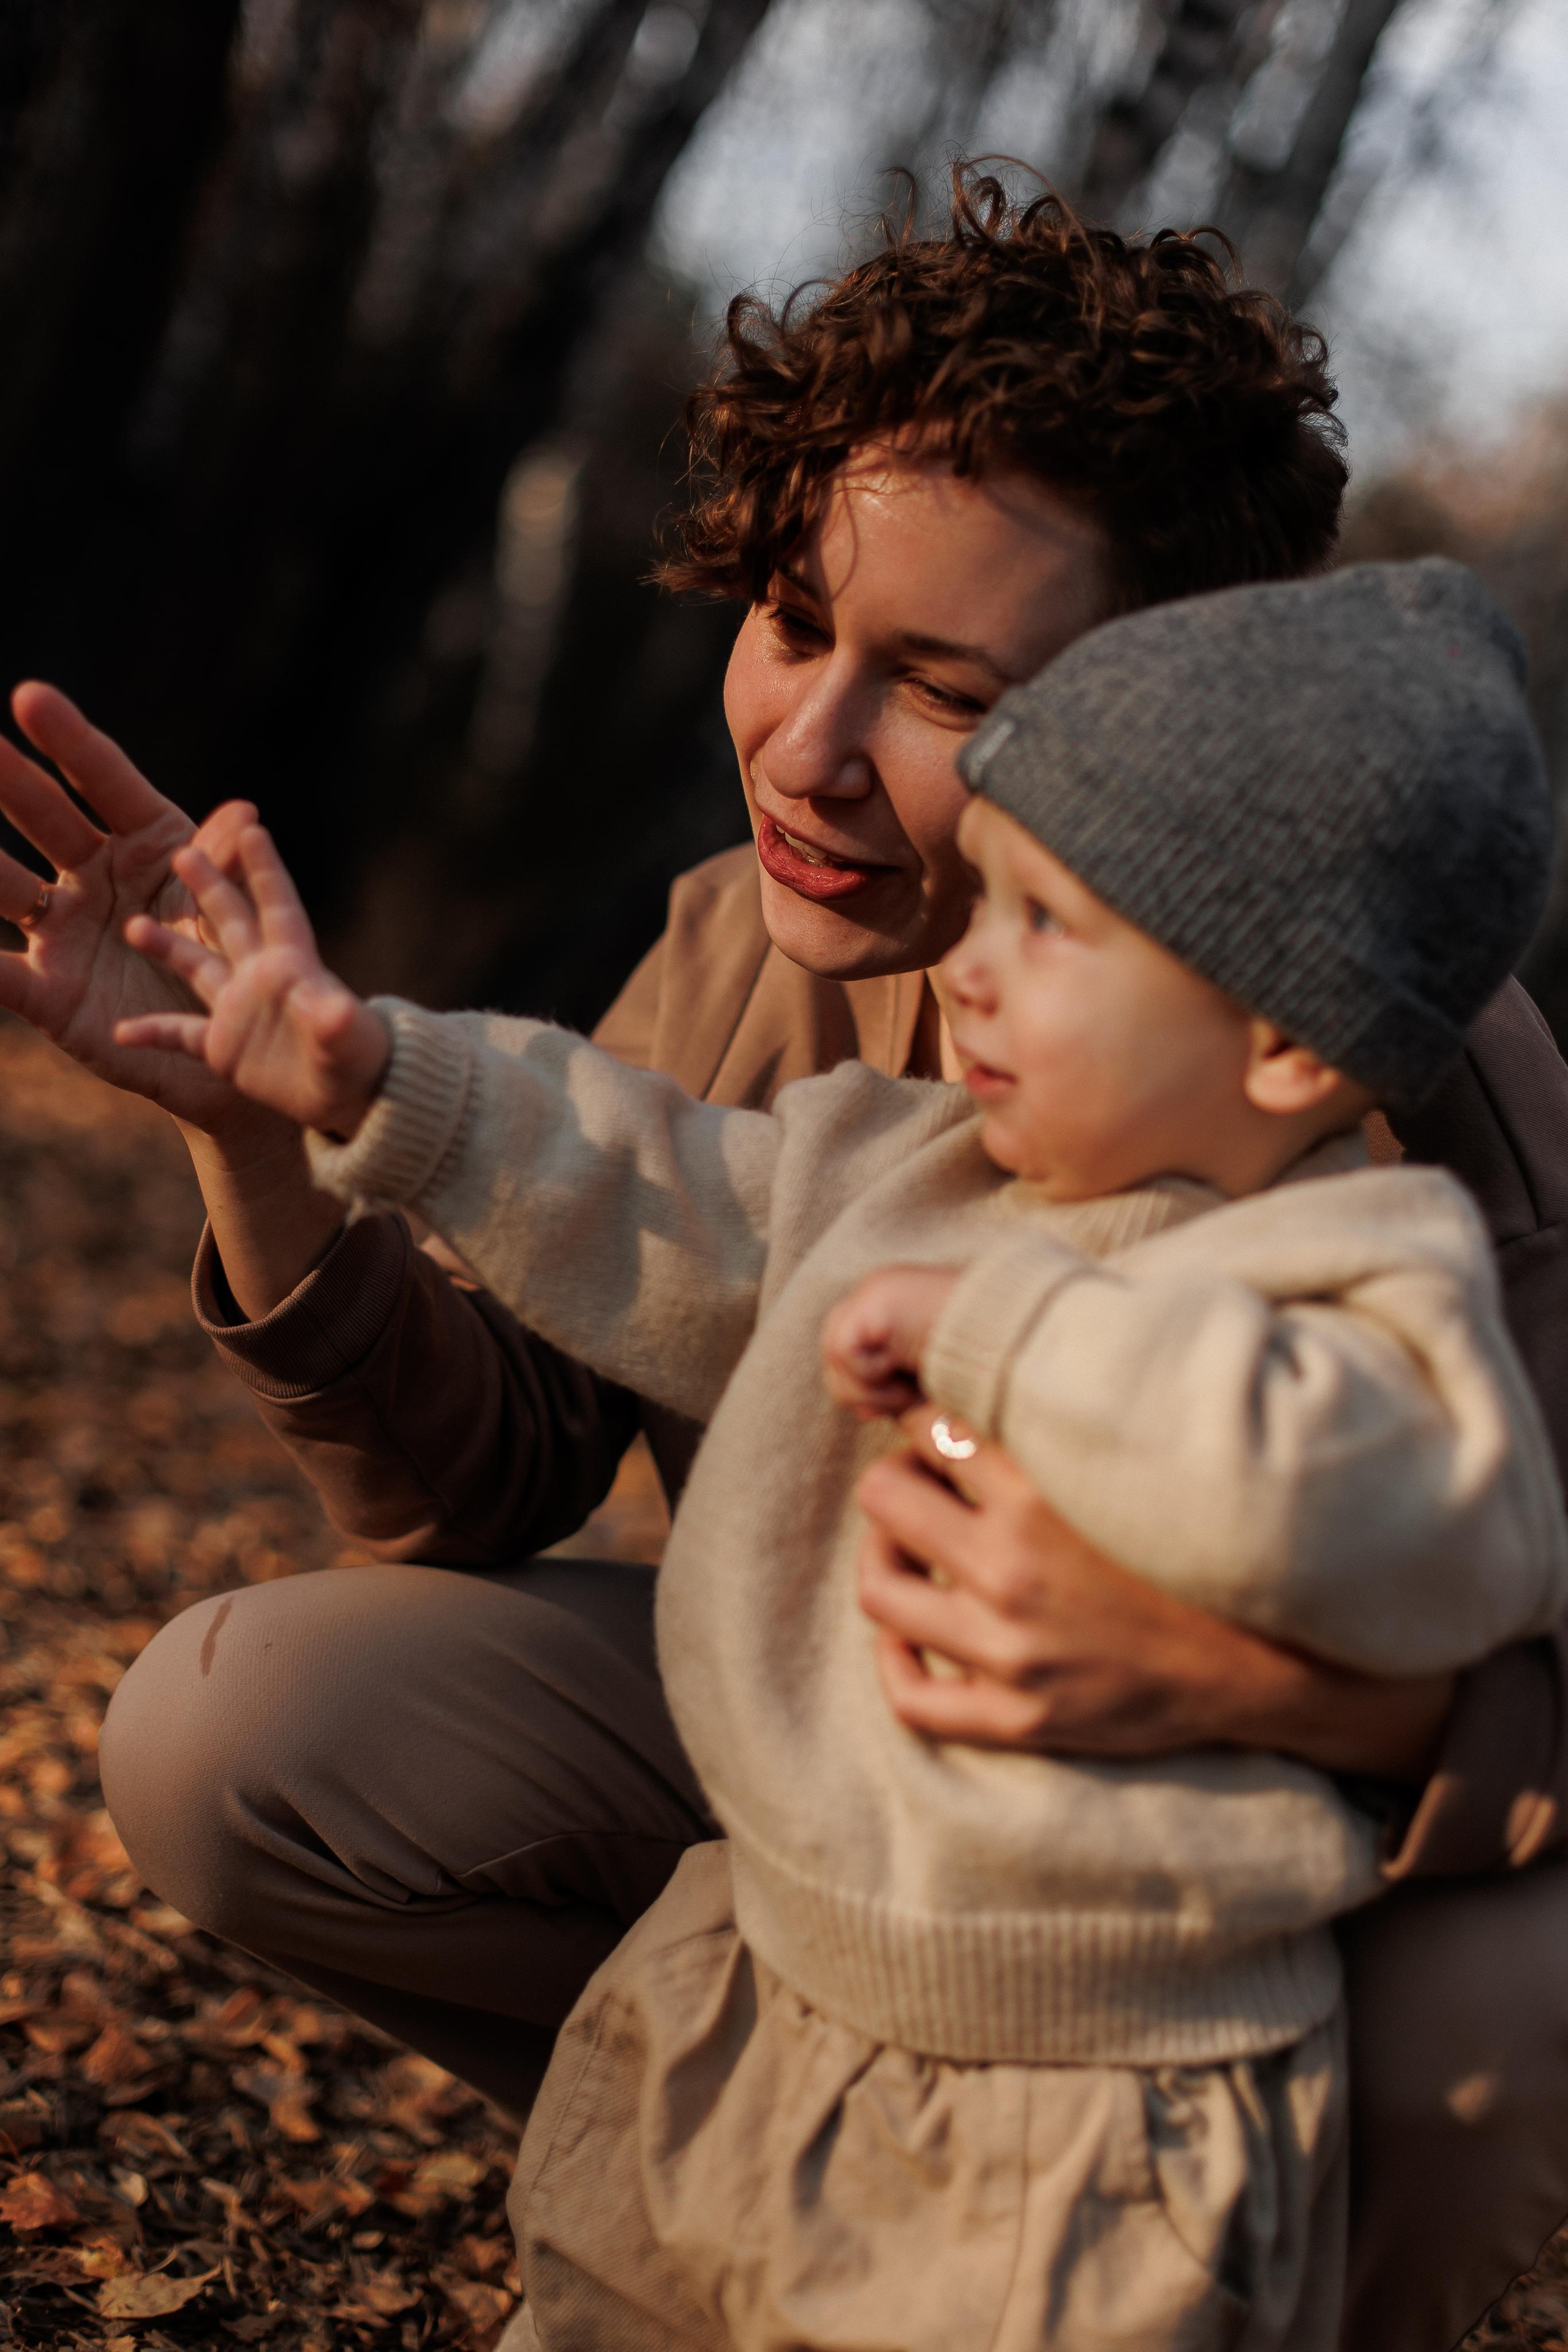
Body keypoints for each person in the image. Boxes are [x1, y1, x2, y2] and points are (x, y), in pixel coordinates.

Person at [0, 172, 1562, 2345]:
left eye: (936, 685)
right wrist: (296, 1121)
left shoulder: (1391, 1071)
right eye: (794, 620)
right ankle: (788, 2174)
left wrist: (1256, 1684)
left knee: (1495, 1984)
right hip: (847, 1828)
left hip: (1210, 1930)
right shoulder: (755, 957)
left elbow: (1504, 1571)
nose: (808, 750)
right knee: (241, 1722)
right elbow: (552, 1371)